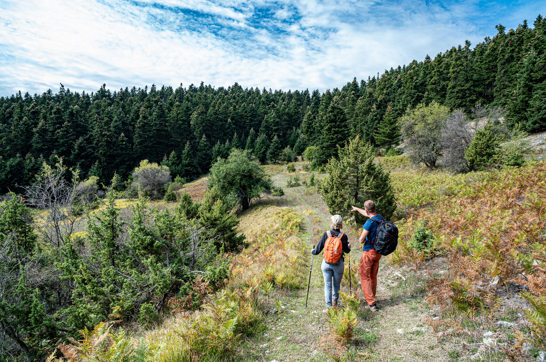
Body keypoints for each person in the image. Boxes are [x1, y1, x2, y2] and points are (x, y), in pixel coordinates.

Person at [312, 215, 351, 308]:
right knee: (336, 285)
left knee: (328, 286)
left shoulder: (326, 234)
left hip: (326, 264)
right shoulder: (343, 236)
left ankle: (328, 307)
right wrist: (349, 247)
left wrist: (312, 251)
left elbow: (317, 250)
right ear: (341, 224)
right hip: (338, 264)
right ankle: (334, 302)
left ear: (332, 223)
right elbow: (347, 251)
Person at [352, 200, 383, 311]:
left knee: (364, 277)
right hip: (378, 252)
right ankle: (372, 298)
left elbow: (361, 239)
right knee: (373, 276)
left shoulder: (369, 223)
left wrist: (364, 237)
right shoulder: (380, 218)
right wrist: (357, 209)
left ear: (366, 209)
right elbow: (368, 214)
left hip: (368, 252)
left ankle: (371, 303)